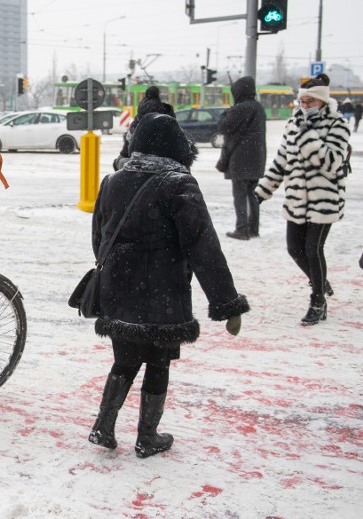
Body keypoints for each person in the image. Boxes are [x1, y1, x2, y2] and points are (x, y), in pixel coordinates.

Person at [88, 113, 249, 458]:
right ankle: (148, 436)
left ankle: (104, 425)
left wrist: (117, 267)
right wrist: (227, 301)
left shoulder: (112, 180)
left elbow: (99, 237)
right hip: (163, 289)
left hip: (118, 287)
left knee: (125, 359)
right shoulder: (179, 184)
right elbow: (204, 247)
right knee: (158, 362)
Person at [255, 73, 351, 326]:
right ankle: (321, 281)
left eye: (310, 102)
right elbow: (281, 161)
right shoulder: (294, 124)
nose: (305, 106)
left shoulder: (337, 125)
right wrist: (262, 191)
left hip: (324, 201)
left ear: (322, 101)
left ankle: (318, 301)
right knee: (294, 249)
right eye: (302, 102)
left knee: (313, 249)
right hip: (296, 199)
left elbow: (330, 161)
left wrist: (308, 135)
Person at [215, 76, 267, 240]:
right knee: (252, 194)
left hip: (240, 159)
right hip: (257, 157)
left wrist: (226, 112)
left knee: (239, 195)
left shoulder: (239, 109)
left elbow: (224, 126)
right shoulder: (258, 108)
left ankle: (242, 229)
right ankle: (253, 228)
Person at [113, 86, 175, 171]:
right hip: (169, 169)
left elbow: (126, 150)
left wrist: (118, 162)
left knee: (120, 161)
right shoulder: (169, 122)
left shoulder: (137, 123)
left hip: (136, 172)